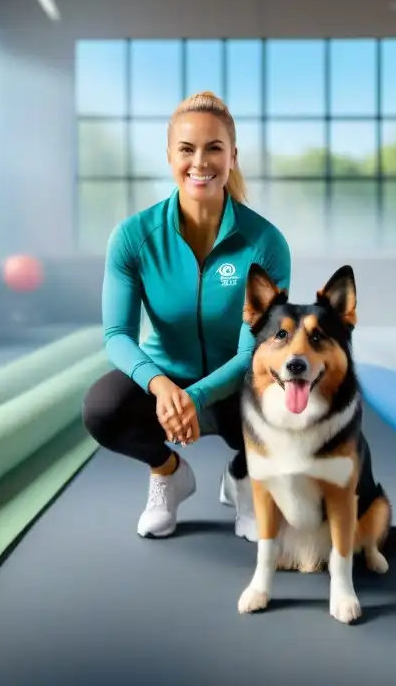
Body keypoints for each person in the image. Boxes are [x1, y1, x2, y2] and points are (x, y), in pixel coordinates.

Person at [82, 91, 292, 541]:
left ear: (232, 157)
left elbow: (254, 351)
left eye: (214, 148)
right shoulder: (134, 237)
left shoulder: (265, 244)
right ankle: (168, 473)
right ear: (169, 157)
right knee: (102, 410)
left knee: (295, 400)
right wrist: (161, 387)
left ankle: (244, 476)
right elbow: (117, 334)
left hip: (238, 381)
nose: (200, 162)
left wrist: (194, 398)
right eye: (186, 149)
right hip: (166, 379)